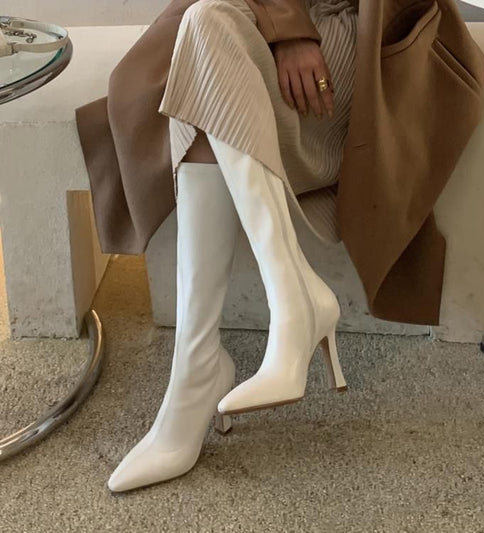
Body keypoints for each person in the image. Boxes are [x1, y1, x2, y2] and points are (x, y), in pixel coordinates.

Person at [106, 0, 358, 492]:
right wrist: (284, 21)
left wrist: (292, 28)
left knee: (205, 50)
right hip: (254, 15)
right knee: (204, 33)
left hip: (356, 32)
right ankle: (281, 309)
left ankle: (198, 372)